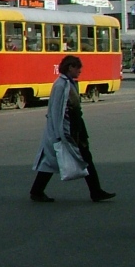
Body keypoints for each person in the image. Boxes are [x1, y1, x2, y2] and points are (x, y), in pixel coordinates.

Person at [30, 55, 115, 203]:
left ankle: (37, 191)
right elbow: (56, 111)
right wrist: (59, 134)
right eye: (78, 68)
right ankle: (95, 192)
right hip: (66, 130)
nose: (80, 71)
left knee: (60, 160)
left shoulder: (69, 83)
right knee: (77, 158)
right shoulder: (61, 85)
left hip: (74, 127)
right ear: (70, 67)